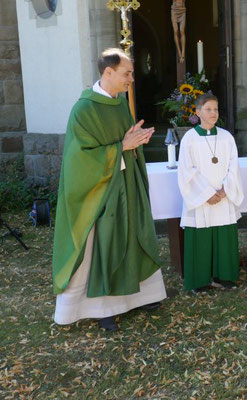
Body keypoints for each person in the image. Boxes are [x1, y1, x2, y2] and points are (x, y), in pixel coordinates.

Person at [52, 48, 167, 332]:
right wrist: (122, 148)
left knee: (131, 235)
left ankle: (142, 296)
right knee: (101, 244)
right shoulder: (84, 109)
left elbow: (124, 140)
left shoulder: (118, 104)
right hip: (98, 191)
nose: (131, 79)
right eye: (127, 73)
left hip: (124, 184)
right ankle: (100, 308)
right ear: (108, 72)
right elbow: (79, 158)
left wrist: (135, 141)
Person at [177, 93, 244, 292]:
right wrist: (207, 194)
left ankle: (224, 277)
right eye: (208, 109)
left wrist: (224, 190)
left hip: (223, 195)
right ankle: (199, 281)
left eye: (215, 109)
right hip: (201, 198)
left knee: (224, 236)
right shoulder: (189, 138)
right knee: (201, 237)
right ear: (197, 112)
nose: (213, 113)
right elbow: (187, 170)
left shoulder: (226, 137)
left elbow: (234, 166)